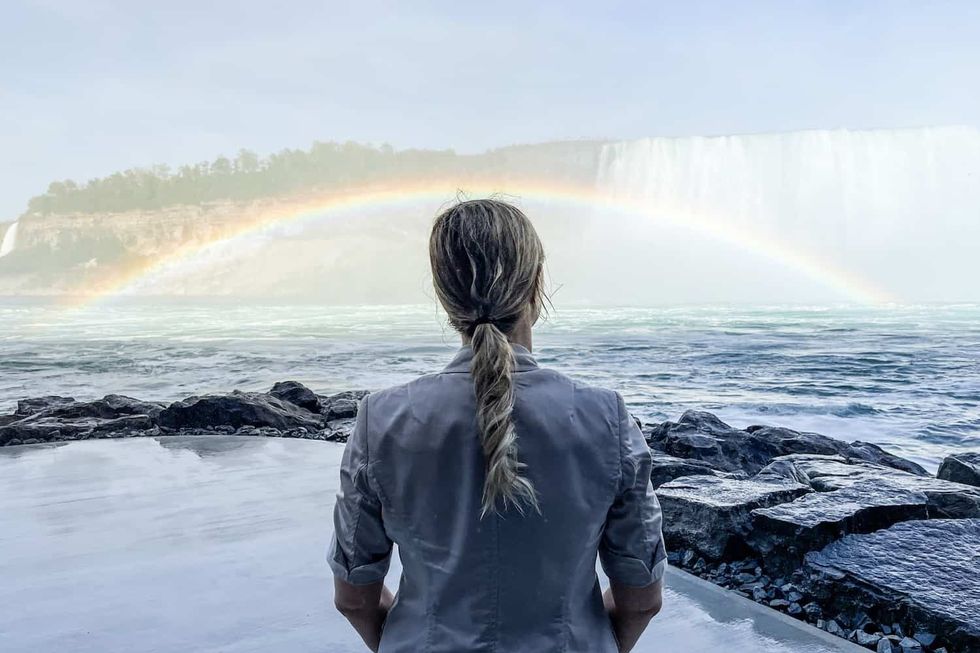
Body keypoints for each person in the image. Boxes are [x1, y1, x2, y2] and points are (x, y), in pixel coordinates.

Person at [329, 199, 667, 653]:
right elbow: (641, 600)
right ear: (537, 286)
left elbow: (354, 599)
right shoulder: (606, 417)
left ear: (444, 296)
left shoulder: (381, 420)